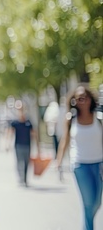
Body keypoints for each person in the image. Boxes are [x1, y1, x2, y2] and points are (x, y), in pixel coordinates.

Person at [56, 85, 102, 230]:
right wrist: (58, 162)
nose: (82, 101)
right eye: (78, 98)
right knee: (88, 203)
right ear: (74, 101)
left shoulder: (99, 119)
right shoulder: (71, 119)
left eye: (84, 97)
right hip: (80, 165)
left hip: (98, 164)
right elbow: (65, 141)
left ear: (90, 99)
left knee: (97, 203)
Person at [9, 101, 41, 187]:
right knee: (19, 162)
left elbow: (34, 134)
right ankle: (21, 178)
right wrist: (7, 144)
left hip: (27, 145)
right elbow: (10, 133)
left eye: (21, 109)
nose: (20, 110)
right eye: (18, 109)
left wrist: (38, 147)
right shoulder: (15, 122)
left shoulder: (28, 122)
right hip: (18, 145)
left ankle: (25, 179)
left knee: (27, 162)